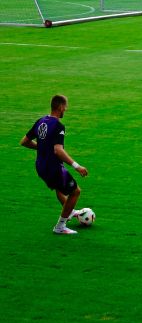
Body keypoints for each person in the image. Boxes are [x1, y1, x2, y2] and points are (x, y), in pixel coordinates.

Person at [21, 94, 90, 235]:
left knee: (59, 187)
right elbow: (58, 150)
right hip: (53, 167)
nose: (66, 109)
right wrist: (77, 166)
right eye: (65, 106)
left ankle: (69, 212)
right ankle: (60, 226)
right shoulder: (58, 125)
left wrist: (42, 147)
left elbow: (24, 142)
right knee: (75, 191)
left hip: (40, 166)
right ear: (60, 107)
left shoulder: (40, 121)